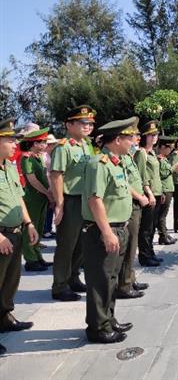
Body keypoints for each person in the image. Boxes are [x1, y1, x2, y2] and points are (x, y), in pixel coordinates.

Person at [81, 117, 138, 344]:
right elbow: (95, 200)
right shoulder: (99, 164)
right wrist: (106, 232)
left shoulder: (116, 162)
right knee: (100, 280)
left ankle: (108, 319)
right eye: (129, 138)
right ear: (117, 140)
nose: (133, 142)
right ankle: (97, 328)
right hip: (103, 232)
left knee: (111, 279)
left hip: (119, 229)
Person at [0, 118, 39, 356]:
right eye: (10, 140)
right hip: (1, 235)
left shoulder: (10, 166)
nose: (15, 144)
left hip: (15, 233)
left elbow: (18, 198)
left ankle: (4, 317)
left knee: (11, 281)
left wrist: (29, 223)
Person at [50, 105, 96, 301]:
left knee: (82, 244)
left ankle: (73, 278)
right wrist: (59, 204)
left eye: (90, 123)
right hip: (71, 201)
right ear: (69, 125)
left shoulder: (87, 145)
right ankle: (60, 286)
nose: (88, 127)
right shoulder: (64, 147)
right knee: (66, 245)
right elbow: (56, 175)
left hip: (86, 200)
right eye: (83, 123)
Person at [115, 130, 149, 299]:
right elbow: (125, 184)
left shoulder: (129, 155)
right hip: (131, 203)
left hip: (135, 203)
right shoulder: (119, 157)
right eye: (133, 136)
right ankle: (124, 284)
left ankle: (130, 278)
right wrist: (140, 197)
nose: (137, 138)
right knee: (129, 247)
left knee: (132, 245)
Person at [20, 128, 53, 271]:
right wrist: (47, 192)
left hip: (41, 198)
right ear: (35, 143)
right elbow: (32, 180)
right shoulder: (27, 158)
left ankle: (38, 256)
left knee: (39, 227)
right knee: (31, 228)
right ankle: (31, 259)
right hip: (33, 199)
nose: (46, 144)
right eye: (43, 142)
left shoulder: (38, 158)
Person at [134, 121, 163, 266]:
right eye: (151, 135)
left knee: (152, 227)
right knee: (146, 228)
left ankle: (151, 252)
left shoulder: (152, 153)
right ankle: (145, 256)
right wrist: (149, 193)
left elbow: (155, 176)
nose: (154, 137)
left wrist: (160, 192)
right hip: (148, 194)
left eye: (156, 134)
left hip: (156, 193)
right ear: (144, 137)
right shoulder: (141, 153)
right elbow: (141, 176)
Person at [156, 136, 178, 245]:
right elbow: (162, 174)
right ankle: (163, 236)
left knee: (164, 214)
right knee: (162, 215)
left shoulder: (164, 158)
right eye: (170, 148)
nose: (171, 150)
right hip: (164, 189)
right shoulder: (159, 159)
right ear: (163, 147)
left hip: (168, 188)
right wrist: (173, 168)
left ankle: (164, 234)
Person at [43, 134, 58, 239]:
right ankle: (45, 230)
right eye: (51, 144)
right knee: (48, 208)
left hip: (51, 184)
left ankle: (48, 228)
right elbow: (47, 173)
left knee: (51, 208)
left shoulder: (51, 155)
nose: (53, 146)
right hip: (48, 184)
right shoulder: (44, 156)